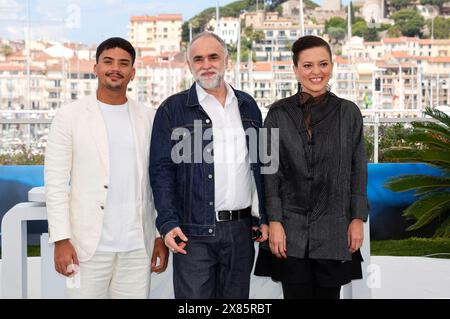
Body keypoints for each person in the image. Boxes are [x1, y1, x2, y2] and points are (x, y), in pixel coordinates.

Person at [44, 37, 168, 299]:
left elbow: (158, 181)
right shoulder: (70, 116)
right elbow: (55, 183)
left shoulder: (149, 118)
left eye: (124, 63)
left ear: (132, 73)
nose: (116, 68)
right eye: (108, 61)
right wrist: (61, 239)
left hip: (137, 246)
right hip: (86, 247)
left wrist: (158, 235)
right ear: (96, 67)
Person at [150, 32, 269, 299]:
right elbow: (161, 171)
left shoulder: (248, 106)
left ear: (226, 60)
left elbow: (261, 165)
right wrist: (167, 223)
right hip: (192, 232)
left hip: (241, 232)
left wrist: (264, 217)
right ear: (189, 65)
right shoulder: (172, 109)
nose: (206, 64)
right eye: (198, 59)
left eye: (213, 56)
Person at [254, 35, 368, 299]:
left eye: (323, 64)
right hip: (290, 231)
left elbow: (358, 169)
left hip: (334, 229)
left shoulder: (348, 113)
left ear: (332, 66)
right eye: (307, 65)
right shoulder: (277, 114)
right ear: (295, 70)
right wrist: (275, 221)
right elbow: (269, 171)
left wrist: (357, 219)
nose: (316, 72)